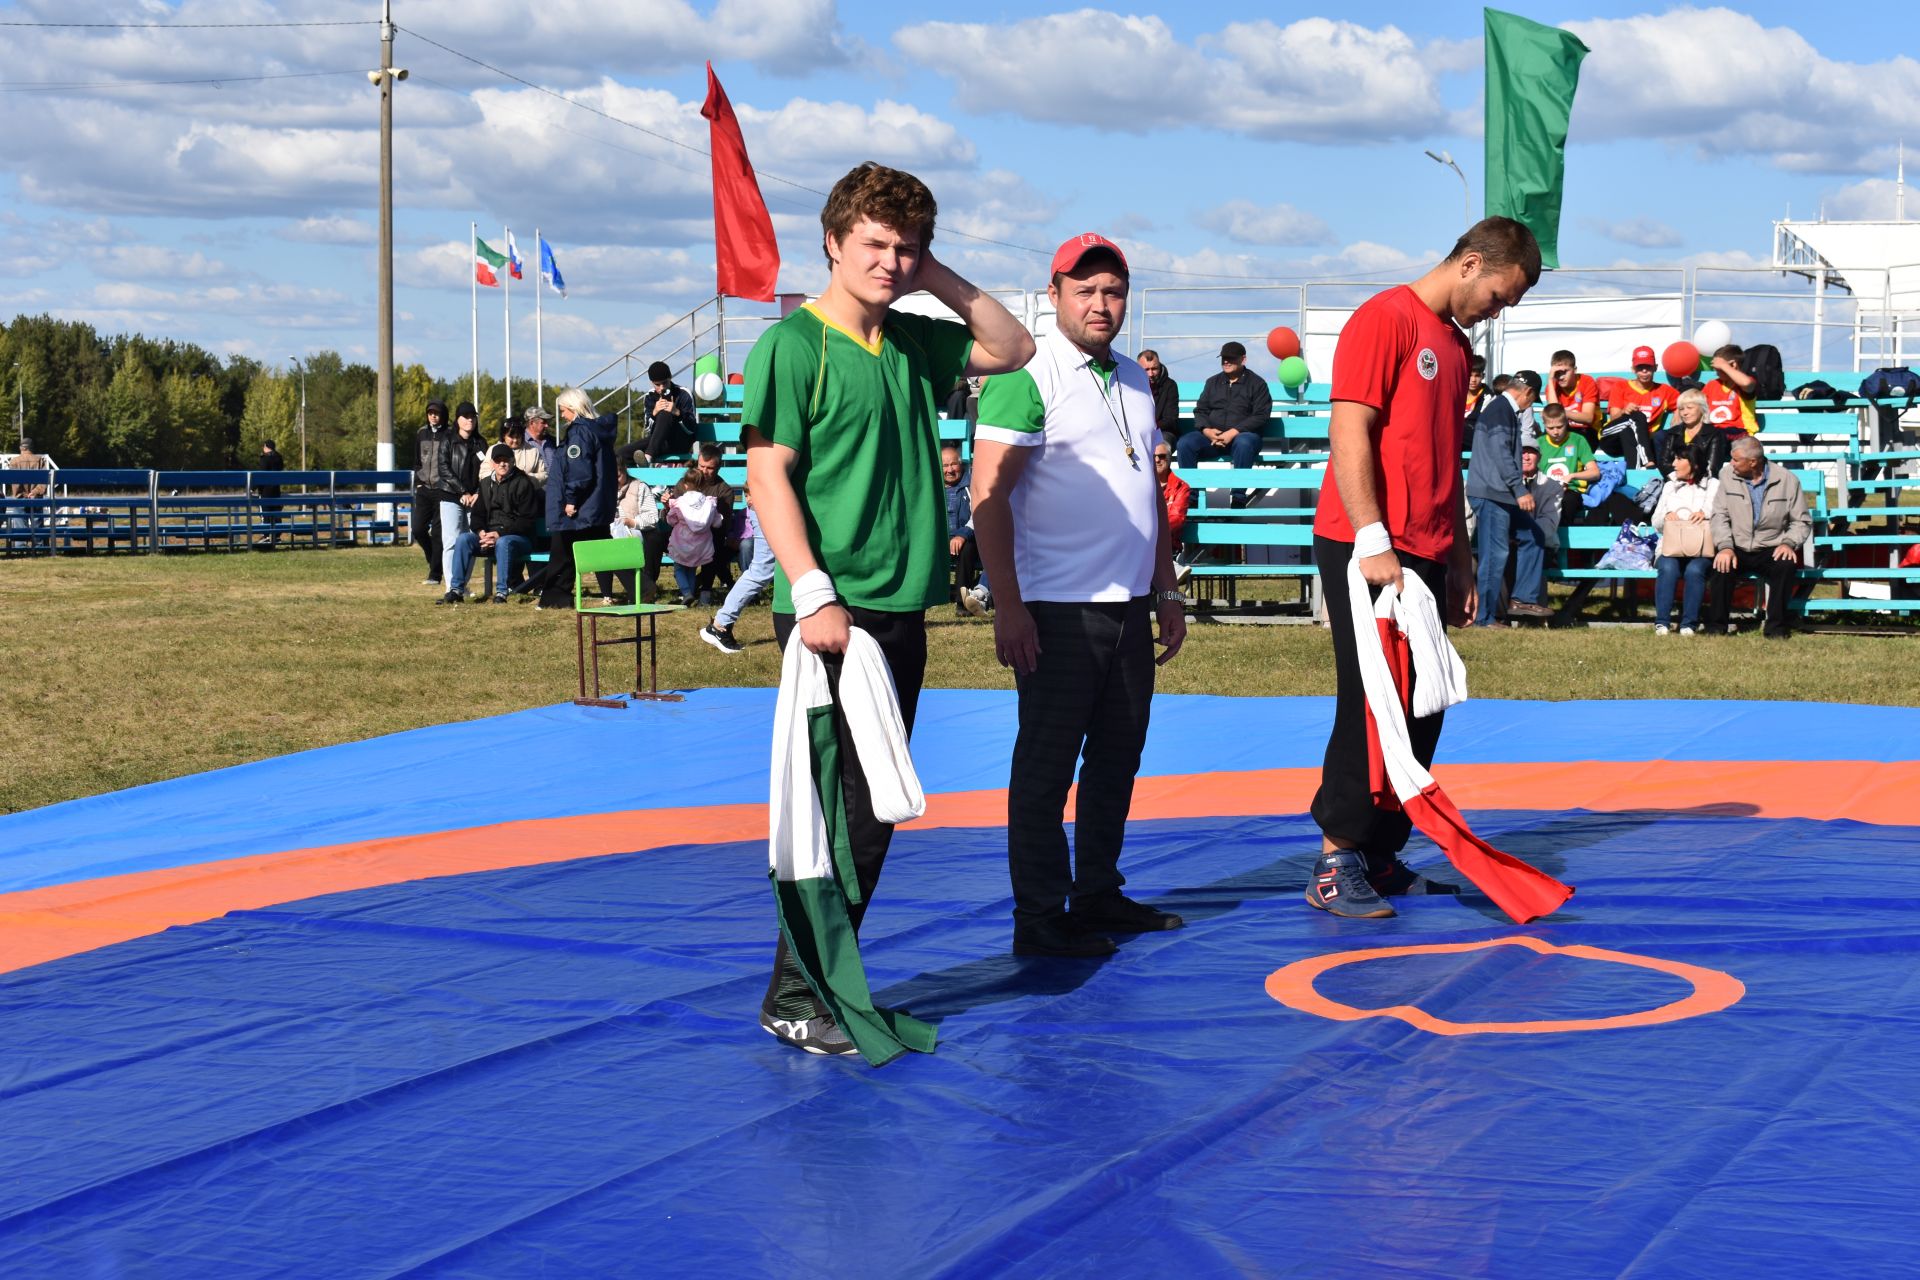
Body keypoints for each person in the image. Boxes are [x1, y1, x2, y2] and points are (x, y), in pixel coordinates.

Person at [742, 161, 1033, 1055]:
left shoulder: (910, 339)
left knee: (873, 814)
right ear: (832, 242)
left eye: (904, 245)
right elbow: (767, 474)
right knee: (834, 815)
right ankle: (798, 994)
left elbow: (1013, 346)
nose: (889, 259)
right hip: (835, 611)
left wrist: (930, 272)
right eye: (873, 242)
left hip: (902, 608)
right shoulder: (792, 346)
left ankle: (818, 984)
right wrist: (811, 588)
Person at [1308, 215, 1540, 918]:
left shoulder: (1455, 346)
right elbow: (1350, 430)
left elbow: (1444, 458)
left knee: (1422, 703)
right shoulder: (1386, 318)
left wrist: (1462, 557)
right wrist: (1374, 538)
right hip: (1368, 544)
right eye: (1500, 295)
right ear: (1470, 263)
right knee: (1373, 700)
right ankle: (1335, 859)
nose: (1499, 312)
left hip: (1429, 546)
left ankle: (1380, 853)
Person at [972, 232, 1186, 958]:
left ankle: (1096, 891)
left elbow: (1148, 494)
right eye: (1086, 290)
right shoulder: (1026, 374)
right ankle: (1039, 915)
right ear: (1054, 293)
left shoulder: (1133, 376)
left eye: (1114, 291)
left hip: (1128, 604)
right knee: (1046, 766)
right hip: (1056, 607)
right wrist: (1008, 603)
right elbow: (988, 497)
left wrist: (1167, 589)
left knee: (1118, 757)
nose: (1101, 304)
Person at [1465, 369, 1552, 624]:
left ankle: (1521, 599)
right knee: (1495, 554)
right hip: (1493, 493)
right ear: (1527, 392)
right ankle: (1485, 618)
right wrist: (1520, 489)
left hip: (1498, 493)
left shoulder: (1500, 408)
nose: (1529, 407)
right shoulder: (1501, 410)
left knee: (1533, 535)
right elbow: (1501, 454)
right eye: (1531, 401)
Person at [1708, 436, 1810, 638]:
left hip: (1771, 546)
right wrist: (1725, 546)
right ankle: (1716, 628)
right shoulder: (1727, 475)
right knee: (1721, 565)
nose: (1731, 463)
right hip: (1736, 544)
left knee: (1786, 565)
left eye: (1736, 460)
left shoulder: (1787, 480)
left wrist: (1789, 543)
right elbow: (1719, 515)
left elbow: (1802, 521)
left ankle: (1776, 629)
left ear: (1753, 462)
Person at [536, 387, 619, 610]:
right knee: (600, 547)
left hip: (581, 503)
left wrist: (571, 499)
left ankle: (556, 597)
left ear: (573, 408)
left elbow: (579, 469)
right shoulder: (598, 431)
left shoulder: (579, 433)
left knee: (562, 548)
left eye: (563, 410)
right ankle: (640, 584)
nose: (562, 415)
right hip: (595, 502)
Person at [461, 444, 542, 603]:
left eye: (506, 460)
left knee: (504, 542)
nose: (502, 464)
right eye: (498, 461)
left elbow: (526, 521)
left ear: (513, 462)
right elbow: (477, 515)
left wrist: (500, 534)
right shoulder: (485, 484)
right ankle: (456, 589)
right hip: (489, 537)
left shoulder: (523, 483)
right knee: (463, 539)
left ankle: (501, 593)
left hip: (519, 538)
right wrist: (481, 532)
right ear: (492, 464)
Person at [1649, 448, 1717, 635]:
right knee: (1668, 567)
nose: (1674, 464)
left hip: (1702, 547)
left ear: (1694, 463)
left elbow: (1721, 515)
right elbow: (1655, 522)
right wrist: (1666, 517)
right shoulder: (1669, 486)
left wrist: (1705, 514)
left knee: (1695, 570)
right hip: (1671, 546)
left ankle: (1689, 624)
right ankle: (1662, 622)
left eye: (1679, 459)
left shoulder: (1714, 485)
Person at [701, 488, 775, 654]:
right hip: (769, 505)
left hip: (772, 504)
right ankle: (719, 625)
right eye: (746, 495)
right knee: (762, 570)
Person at [1178, 341, 1270, 473]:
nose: (1226, 361)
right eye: (1223, 358)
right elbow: (1200, 411)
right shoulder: (1212, 382)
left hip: (1243, 437)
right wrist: (1206, 431)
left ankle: (1238, 493)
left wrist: (1232, 432)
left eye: (1231, 358)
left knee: (1244, 444)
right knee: (1185, 443)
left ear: (1243, 359)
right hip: (1212, 439)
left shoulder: (1257, 384)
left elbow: (1261, 415)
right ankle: (1189, 492)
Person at [432, 403, 490, 604]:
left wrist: (476, 493)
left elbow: (488, 473)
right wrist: (462, 491)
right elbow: (444, 469)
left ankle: (462, 585)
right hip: (450, 496)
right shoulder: (447, 439)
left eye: (473, 416)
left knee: (471, 542)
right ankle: (451, 587)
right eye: (465, 417)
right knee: (451, 542)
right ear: (457, 419)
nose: (470, 420)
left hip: (474, 500)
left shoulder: (481, 443)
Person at [673, 445, 736, 602]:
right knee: (655, 540)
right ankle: (647, 588)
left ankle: (703, 591)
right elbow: (672, 516)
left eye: (710, 468)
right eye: (701, 466)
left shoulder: (723, 491)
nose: (704, 471)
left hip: (710, 537)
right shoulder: (684, 484)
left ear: (718, 467)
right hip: (682, 534)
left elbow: (722, 525)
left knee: (713, 544)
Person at [942, 443, 990, 616]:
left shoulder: (971, 484)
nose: (950, 470)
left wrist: (963, 534)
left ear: (961, 464)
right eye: (945, 466)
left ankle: (963, 603)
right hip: (941, 538)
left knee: (967, 546)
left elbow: (979, 513)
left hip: (969, 537)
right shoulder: (935, 487)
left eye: (953, 464)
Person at [1536, 403, 1600, 526]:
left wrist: (1572, 476)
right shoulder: (1539, 443)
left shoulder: (1578, 440)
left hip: (1571, 490)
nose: (1555, 432)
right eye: (1551, 428)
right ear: (1544, 425)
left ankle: (1562, 542)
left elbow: (1595, 472)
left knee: (1567, 501)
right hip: (1545, 490)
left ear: (1566, 422)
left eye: (1559, 427)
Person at [411, 400, 451, 585]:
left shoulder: (450, 434)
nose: (433, 416)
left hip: (442, 490)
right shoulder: (421, 433)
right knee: (418, 529)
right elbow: (417, 460)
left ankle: (435, 575)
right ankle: (433, 559)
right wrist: (418, 482)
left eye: (436, 413)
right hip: (424, 489)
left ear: (443, 414)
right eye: (430, 413)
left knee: (437, 533)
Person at [1656, 387, 1729, 479]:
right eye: (1681, 409)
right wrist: (1677, 479)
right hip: (1675, 482)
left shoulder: (1715, 434)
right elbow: (1664, 463)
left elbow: (1713, 467)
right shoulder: (1672, 433)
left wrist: (1693, 480)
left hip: (1703, 483)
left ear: (1702, 409)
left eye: (1690, 408)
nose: (1685, 413)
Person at [1611, 345, 1678, 432]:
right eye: (1640, 367)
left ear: (1655, 367)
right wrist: (1624, 411)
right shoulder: (1620, 386)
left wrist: (1676, 419)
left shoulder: (1665, 390)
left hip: (1648, 437)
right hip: (1621, 435)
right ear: (1633, 369)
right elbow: (1613, 419)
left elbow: (1685, 404)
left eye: (1648, 366)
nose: (1644, 371)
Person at [641, 361, 697, 461]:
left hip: (680, 442)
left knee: (665, 413)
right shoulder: (649, 397)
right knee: (622, 453)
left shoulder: (684, 393)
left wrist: (677, 413)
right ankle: (645, 459)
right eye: (657, 384)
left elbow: (692, 429)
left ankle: (648, 456)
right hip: (658, 442)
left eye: (664, 383)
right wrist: (654, 414)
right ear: (652, 383)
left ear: (670, 377)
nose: (662, 388)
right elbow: (648, 430)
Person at [1545, 349, 1601, 443]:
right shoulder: (1551, 386)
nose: (1561, 377)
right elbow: (1554, 416)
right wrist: (1550, 380)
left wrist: (1561, 413)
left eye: (1564, 372)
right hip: (1561, 429)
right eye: (1557, 373)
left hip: (1587, 430)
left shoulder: (1587, 382)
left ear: (1575, 370)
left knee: (1572, 445)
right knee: (1543, 445)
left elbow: (1588, 418)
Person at [1704, 344, 1759, 435]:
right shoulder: (1712, 385)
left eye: (1719, 369)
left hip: (1740, 433)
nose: (1716, 373)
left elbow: (1746, 383)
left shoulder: (1744, 384)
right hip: (1714, 433)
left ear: (1733, 365)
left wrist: (1724, 366)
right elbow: (1696, 402)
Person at [1139, 348, 1182, 445]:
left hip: (1163, 432)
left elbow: (1170, 420)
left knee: (1161, 447)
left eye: (1154, 369)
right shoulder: (1131, 386)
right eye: (1146, 370)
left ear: (1159, 367)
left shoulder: (1170, 386)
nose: (1150, 374)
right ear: (1138, 369)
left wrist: (1150, 427)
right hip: (1137, 432)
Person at [1155, 440, 1189, 553]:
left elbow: (1177, 518)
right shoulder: (1141, 484)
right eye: (1153, 456)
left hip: (1167, 545)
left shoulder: (1181, 486)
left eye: (1161, 456)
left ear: (1169, 459)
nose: (1157, 460)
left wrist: (1152, 530)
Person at [252, 439, 285, 548]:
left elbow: (261, 475)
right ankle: (277, 536)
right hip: (276, 491)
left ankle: (265, 536)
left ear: (266, 447)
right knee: (276, 513)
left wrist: (252, 488)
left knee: (265, 514)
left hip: (265, 491)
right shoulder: (279, 459)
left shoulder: (264, 459)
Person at [1463, 353, 1490, 427]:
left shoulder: (1489, 399)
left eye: (1477, 376)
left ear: (1483, 376)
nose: (1473, 380)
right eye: (1470, 375)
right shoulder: (1457, 395)